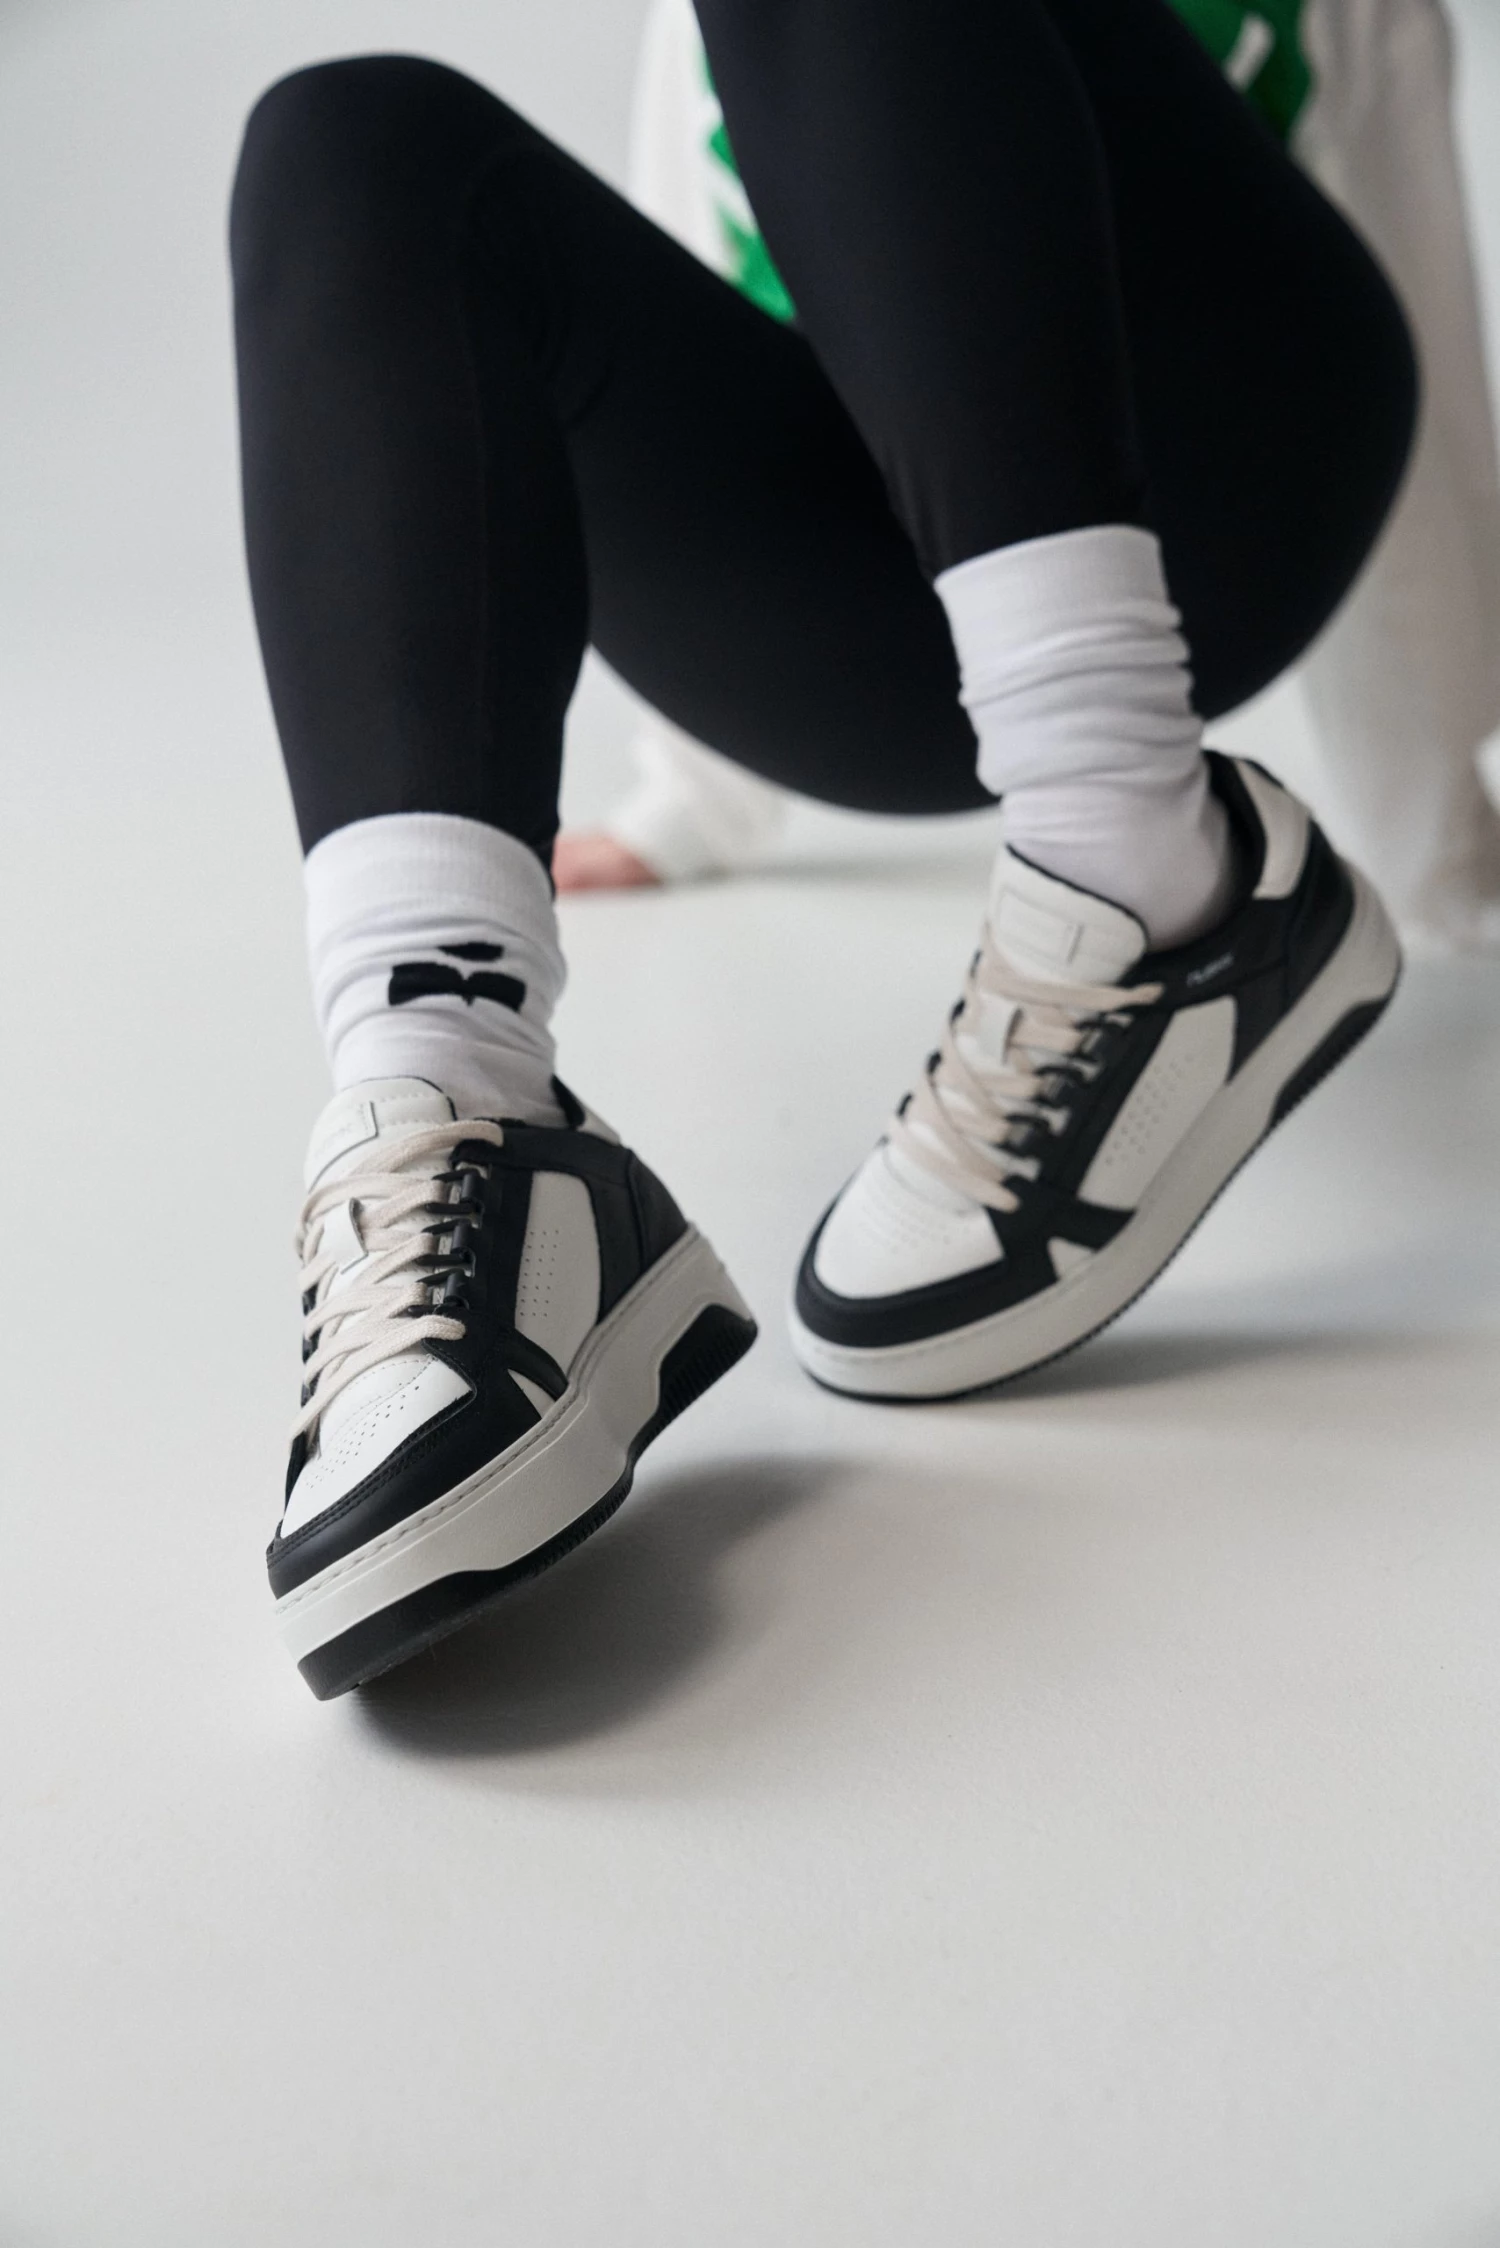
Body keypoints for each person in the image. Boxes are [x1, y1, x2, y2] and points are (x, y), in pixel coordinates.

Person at [230, 0, 1413, 1697]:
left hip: (1239, 461)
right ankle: (456, 1095)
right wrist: (693, 803)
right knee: (347, 137)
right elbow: (695, 234)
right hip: (892, 600)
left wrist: (1448, 819)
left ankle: (1148, 864)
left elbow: (1395, 184)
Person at [561, 0, 1500, 955]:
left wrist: (1436, 840)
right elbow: (693, 316)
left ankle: (1131, 826)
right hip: (881, 593)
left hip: (1198, 559)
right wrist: (694, 801)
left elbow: (1397, 354)